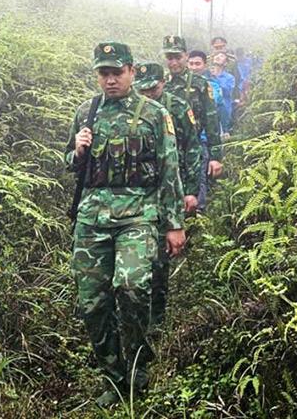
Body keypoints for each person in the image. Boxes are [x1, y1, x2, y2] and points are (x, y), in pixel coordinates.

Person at [65, 41, 186, 408]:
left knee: (132, 286)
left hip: (139, 214)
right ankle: (114, 377)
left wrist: (174, 223)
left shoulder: (154, 113)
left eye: (116, 72)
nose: (110, 79)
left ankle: (137, 367)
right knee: (92, 302)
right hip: (93, 217)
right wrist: (79, 149)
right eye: (103, 72)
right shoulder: (87, 112)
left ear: (132, 71)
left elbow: (169, 169)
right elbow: (70, 162)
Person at [134, 61, 203, 328]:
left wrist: (191, 190)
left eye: (152, 88)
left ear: (162, 83)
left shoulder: (176, 108)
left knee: (160, 257)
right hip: (141, 193)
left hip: (173, 184)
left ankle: (157, 319)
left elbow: (192, 148)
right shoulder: (132, 110)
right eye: (143, 89)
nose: (148, 93)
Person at [162, 35, 223, 210]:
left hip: (193, 146)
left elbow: (211, 118)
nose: (173, 62)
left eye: (177, 57)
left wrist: (216, 156)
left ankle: (198, 230)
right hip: (165, 149)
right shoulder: (161, 83)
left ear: (186, 56)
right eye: (169, 57)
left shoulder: (200, 84)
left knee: (196, 195)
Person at [208, 52, 236, 138]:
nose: (218, 57)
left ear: (226, 63)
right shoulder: (207, 75)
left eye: (221, 56)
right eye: (216, 55)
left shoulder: (229, 78)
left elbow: (228, 92)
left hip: (224, 111)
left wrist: (216, 79)